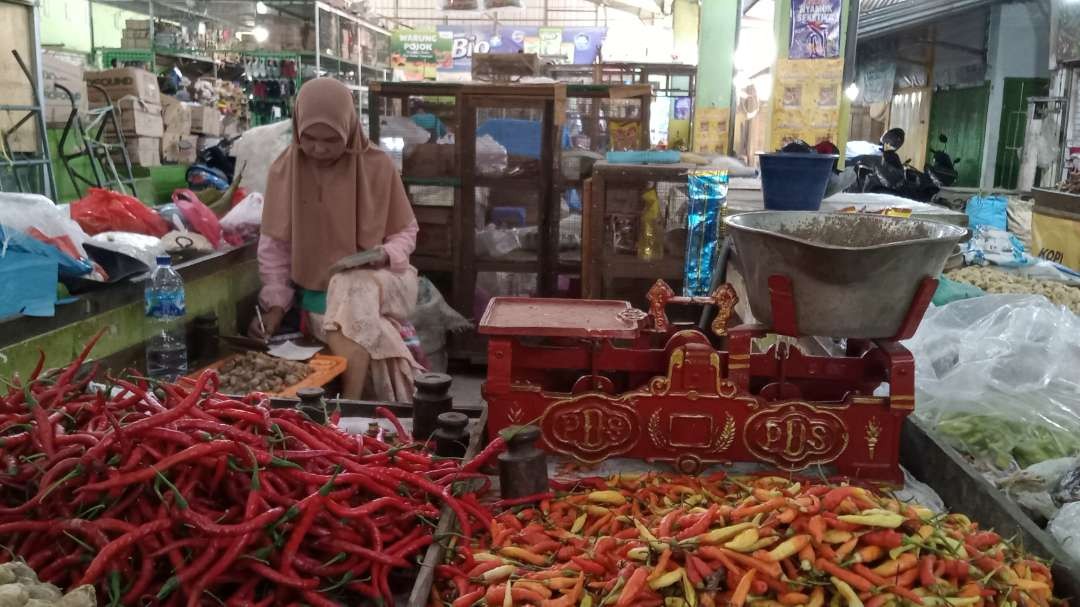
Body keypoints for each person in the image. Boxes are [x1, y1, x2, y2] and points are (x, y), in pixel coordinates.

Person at [253, 78, 422, 401]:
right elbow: (275, 246)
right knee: (370, 331)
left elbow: (406, 232)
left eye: (331, 140)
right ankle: (391, 414)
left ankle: (351, 403)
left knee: (350, 283)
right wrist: (274, 304)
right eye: (310, 138)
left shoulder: (378, 165)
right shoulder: (285, 170)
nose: (318, 148)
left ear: (349, 128)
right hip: (319, 297)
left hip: (384, 284)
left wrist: (384, 254)